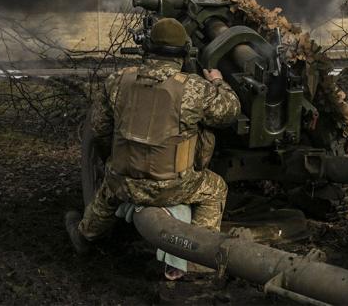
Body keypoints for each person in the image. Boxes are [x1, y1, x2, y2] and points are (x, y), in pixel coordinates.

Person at [64, 17, 241, 277]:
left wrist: (115, 161)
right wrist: (217, 81)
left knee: (109, 188)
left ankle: (85, 235)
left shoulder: (118, 81)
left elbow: (100, 129)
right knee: (215, 189)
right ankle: (197, 260)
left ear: (147, 48)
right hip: (173, 188)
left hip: (124, 181)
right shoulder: (194, 89)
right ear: (182, 52)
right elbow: (230, 111)